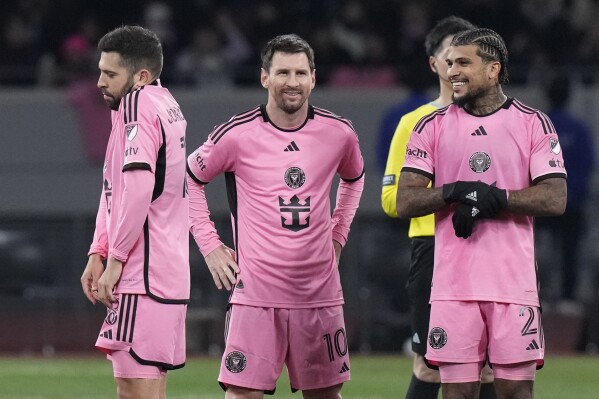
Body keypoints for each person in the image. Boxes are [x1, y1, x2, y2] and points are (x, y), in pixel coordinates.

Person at [186, 34, 364, 399]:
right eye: (283, 72)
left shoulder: (339, 133)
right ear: (264, 77)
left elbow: (354, 179)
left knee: (327, 396)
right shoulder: (235, 135)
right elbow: (189, 179)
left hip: (319, 295)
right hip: (256, 295)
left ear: (314, 78)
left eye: (301, 73)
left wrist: (338, 234)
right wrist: (210, 245)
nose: (293, 82)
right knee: (242, 395)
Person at [396, 27, 567, 399]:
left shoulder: (532, 123)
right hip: (453, 288)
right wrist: (456, 192)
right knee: (456, 394)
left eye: (463, 63)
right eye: (450, 62)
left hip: (513, 287)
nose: (452, 70)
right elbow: (405, 200)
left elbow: (555, 198)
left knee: (515, 391)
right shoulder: (432, 126)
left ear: (493, 69)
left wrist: (498, 197)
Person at [382, 16, 497, 399]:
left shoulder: (500, 119)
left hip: (491, 249)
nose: (459, 66)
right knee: (431, 368)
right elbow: (390, 199)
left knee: (491, 369)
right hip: (433, 249)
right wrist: (452, 196)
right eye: (452, 57)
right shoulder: (413, 122)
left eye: (468, 57)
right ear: (435, 64)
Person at [80, 25, 189, 399]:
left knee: (133, 393)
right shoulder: (164, 102)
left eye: (110, 74)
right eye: (100, 71)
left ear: (140, 77)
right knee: (149, 391)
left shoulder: (136, 105)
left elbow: (139, 190)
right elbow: (115, 188)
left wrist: (115, 260)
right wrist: (99, 249)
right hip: (166, 272)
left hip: (141, 277)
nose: (99, 82)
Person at [537, 75, 595, 304]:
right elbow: (588, 165)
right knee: (569, 253)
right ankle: (567, 299)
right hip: (570, 203)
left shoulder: (538, 128)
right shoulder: (579, 130)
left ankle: (539, 295)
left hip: (543, 203)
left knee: (540, 252)